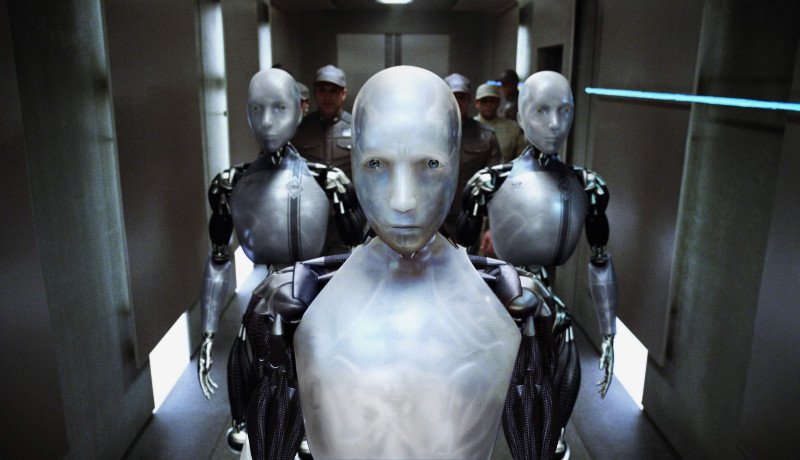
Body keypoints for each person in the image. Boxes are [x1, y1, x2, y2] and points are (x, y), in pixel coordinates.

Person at [240, 65, 557, 460]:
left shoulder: (516, 304)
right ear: (355, 161)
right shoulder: (291, 301)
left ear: (455, 162)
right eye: (377, 165)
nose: (403, 201)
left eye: (429, 165)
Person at [195, 68, 364, 451]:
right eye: (257, 109)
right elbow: (219, 258)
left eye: (279, 108)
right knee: (251, 415)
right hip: (265, 302)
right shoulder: (229, 183)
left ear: (298, 109)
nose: (267, 121)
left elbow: (359, 257)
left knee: (313, 398)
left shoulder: (330, 180)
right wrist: (207, 333)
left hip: (316, 294)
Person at [458, 70, 619, 459]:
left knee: (553, 381)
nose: (554, 124)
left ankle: (549, 440)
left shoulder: (587, 185)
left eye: (564, 111)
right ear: (522, 114)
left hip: (550, 309)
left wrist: (608, 332)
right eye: (542, 110)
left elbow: (600, 258)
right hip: (502, 300)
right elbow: (460, 262)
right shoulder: (489, 182)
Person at [442, 73, 500, 247]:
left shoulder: (486, 136)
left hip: (468, 216)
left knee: (469, 262)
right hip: (434, 217)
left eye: (462, 97)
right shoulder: (428, 133)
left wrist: (492, 227)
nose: (458, 101)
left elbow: (494, 186)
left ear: (469, 100)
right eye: (453, 96)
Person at [292, 64, 352, 177]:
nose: (327, 97)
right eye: (322, 90)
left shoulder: (357, 128)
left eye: (333, 91)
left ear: (343, 94)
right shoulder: (300, 129)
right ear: (315, 92)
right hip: (309, 187)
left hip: (348, 187)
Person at [474, 82, 526, 163]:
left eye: (492, 100)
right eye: (484, 100)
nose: (488, 104)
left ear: (498, 102)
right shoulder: (469, 127)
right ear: (477, 103)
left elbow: (522, 158)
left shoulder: (513, 128)